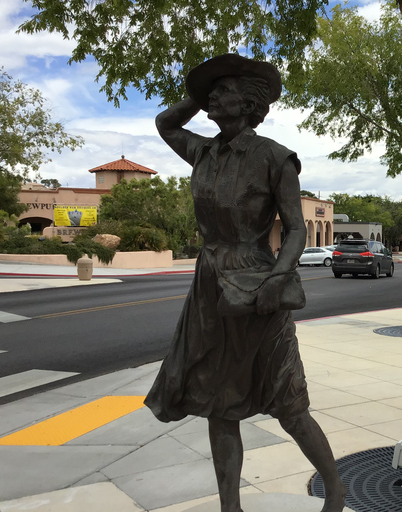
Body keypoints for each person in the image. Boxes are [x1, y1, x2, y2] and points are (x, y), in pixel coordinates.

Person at [144, 54, 345, 512]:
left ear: (250, 102)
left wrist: (279, 277)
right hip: (211, 284)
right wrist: (201, 94)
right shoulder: (203, 151)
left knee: (288, 401)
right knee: (220, 403)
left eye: (224, 89)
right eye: (211, 92)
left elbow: (296, 228)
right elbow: (165, 123)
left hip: (258, 282)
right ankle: (229, 507)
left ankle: (335, 488)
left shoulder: (274, 158)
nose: (213, 96)